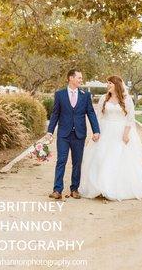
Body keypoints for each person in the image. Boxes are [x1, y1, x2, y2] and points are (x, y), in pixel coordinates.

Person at [79, 75, 142, 201]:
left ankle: (121, 188)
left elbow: (130, 119)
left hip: (120, 132)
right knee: (101, 158)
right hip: (105, 131)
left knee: (120, 159)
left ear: (117, 85)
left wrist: (126, 134)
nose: (108, 85)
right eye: (107, 83)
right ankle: (100, 188)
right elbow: (99, 117)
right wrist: (95, 132)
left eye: (110, 83)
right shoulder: (104, 98)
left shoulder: (126, 99)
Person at [45, 69, 100, 200]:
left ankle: (74, 189)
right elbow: (55, 114)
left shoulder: (85, 95)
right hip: (63, 134)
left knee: (77, 163)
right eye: (79, 78)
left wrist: (96, 130)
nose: (81, 80)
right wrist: (50, 131)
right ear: (71, 78)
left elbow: (91, 113)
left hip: (79, 134)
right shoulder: (60, 94)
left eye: (81, 78)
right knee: (61, 161)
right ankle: (57, 190)